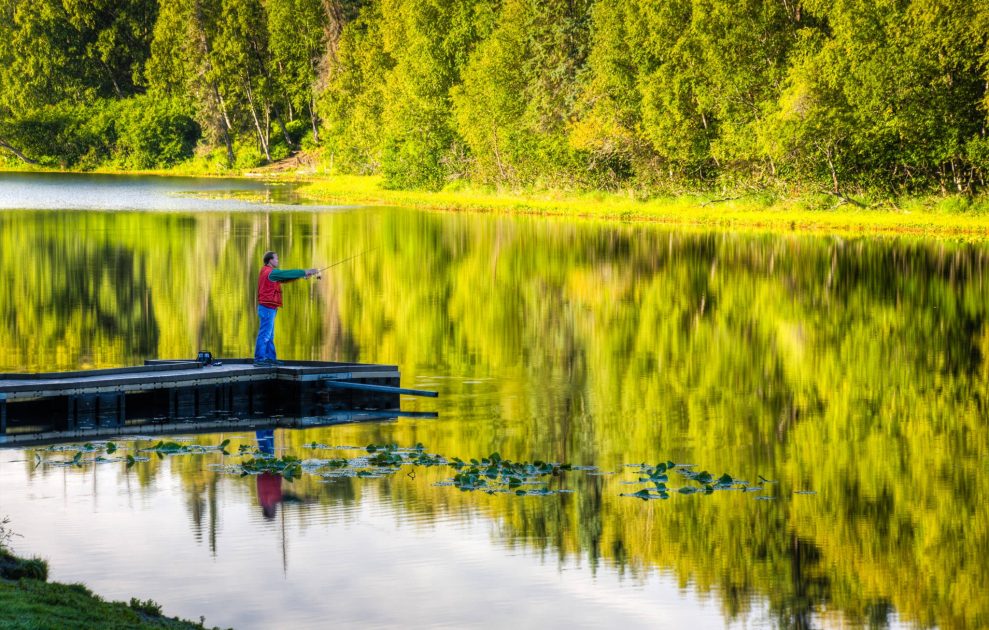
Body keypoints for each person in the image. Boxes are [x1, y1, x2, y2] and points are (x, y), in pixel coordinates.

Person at [254, 251, 318, 366]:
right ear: (270, 260)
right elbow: (287, 273)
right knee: (265, 335)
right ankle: (259, 359)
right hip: (267, 308)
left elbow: (284, 279)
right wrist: (305, 271)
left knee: (269, 335)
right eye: (276, 259)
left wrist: (302, 276)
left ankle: (269, 358)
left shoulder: (266, 271)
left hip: (268, 307)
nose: (278, 260)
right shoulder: (271, 272)